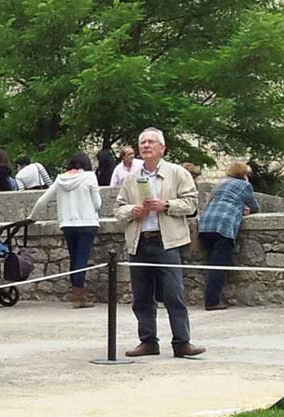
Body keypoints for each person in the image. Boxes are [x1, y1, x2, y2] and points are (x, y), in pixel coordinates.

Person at [114, 127, 203, 358]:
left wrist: (167, 206)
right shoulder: (132, 178)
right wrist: (134, 210)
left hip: (168, 242)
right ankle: (148, 341)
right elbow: (118, 209)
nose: (145, 146)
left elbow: (192, 203)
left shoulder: (177, 173)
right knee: (141, 296)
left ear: (162, 148)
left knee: (174, 294)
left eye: (151, 142)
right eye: (142, 142)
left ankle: (182, 342)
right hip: (139, 241)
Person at [30, 152, 104, 307]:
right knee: (82, 259)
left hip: (67, 224)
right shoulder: (90, 177)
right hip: (88, 222)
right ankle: (79, 297)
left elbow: (42, 200)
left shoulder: (61, 178)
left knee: (74, 257)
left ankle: (76, 294)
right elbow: (97, 204)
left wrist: (31, 217)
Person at [195, 163, 261, 311]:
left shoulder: (220, 183)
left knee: (212, 262)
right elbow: (256, 207)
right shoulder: (244, 185)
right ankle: (212, 301)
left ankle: (211, 296)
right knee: (218, 264)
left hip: (206, 223)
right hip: (223, 224)